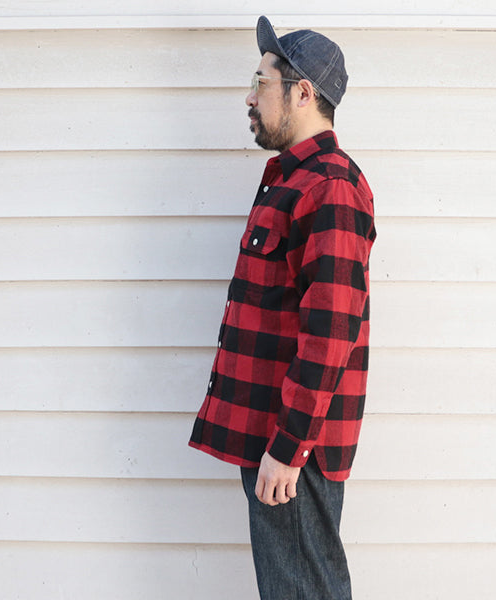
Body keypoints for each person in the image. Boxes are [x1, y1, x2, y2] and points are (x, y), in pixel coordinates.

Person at [189, 15, 376, 599]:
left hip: (295, 447)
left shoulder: (329, 187)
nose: (250, 97)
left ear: (302, 93)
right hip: (278, 437)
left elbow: (331, 332)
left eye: (261, 82)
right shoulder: (292, 180)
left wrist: (289, 447)